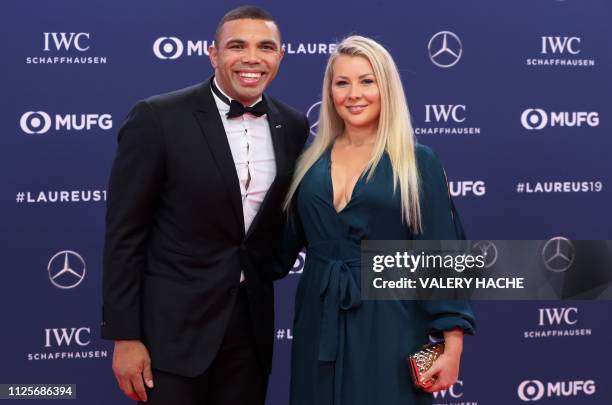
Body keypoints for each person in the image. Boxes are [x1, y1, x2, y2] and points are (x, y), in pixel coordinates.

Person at [101, 6, 309, 405]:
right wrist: (125, 336)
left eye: (265, 47)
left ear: (280, 57)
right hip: (170, 337)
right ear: (213, 54)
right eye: (237, 46)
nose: (252, 58)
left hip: (250, 334)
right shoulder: (158, 118)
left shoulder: (293, 124)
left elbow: (285, 223)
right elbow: (124, 235)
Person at [274, 36, 476, 405]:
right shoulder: (308, 164)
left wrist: (453, 345)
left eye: (367, 81)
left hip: (391, 319)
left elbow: (441, 255)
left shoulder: (417, 161)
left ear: (386, 88)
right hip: (319, 320)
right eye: (342, 83)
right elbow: (275, 251)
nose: (354, 94)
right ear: (330, 91)